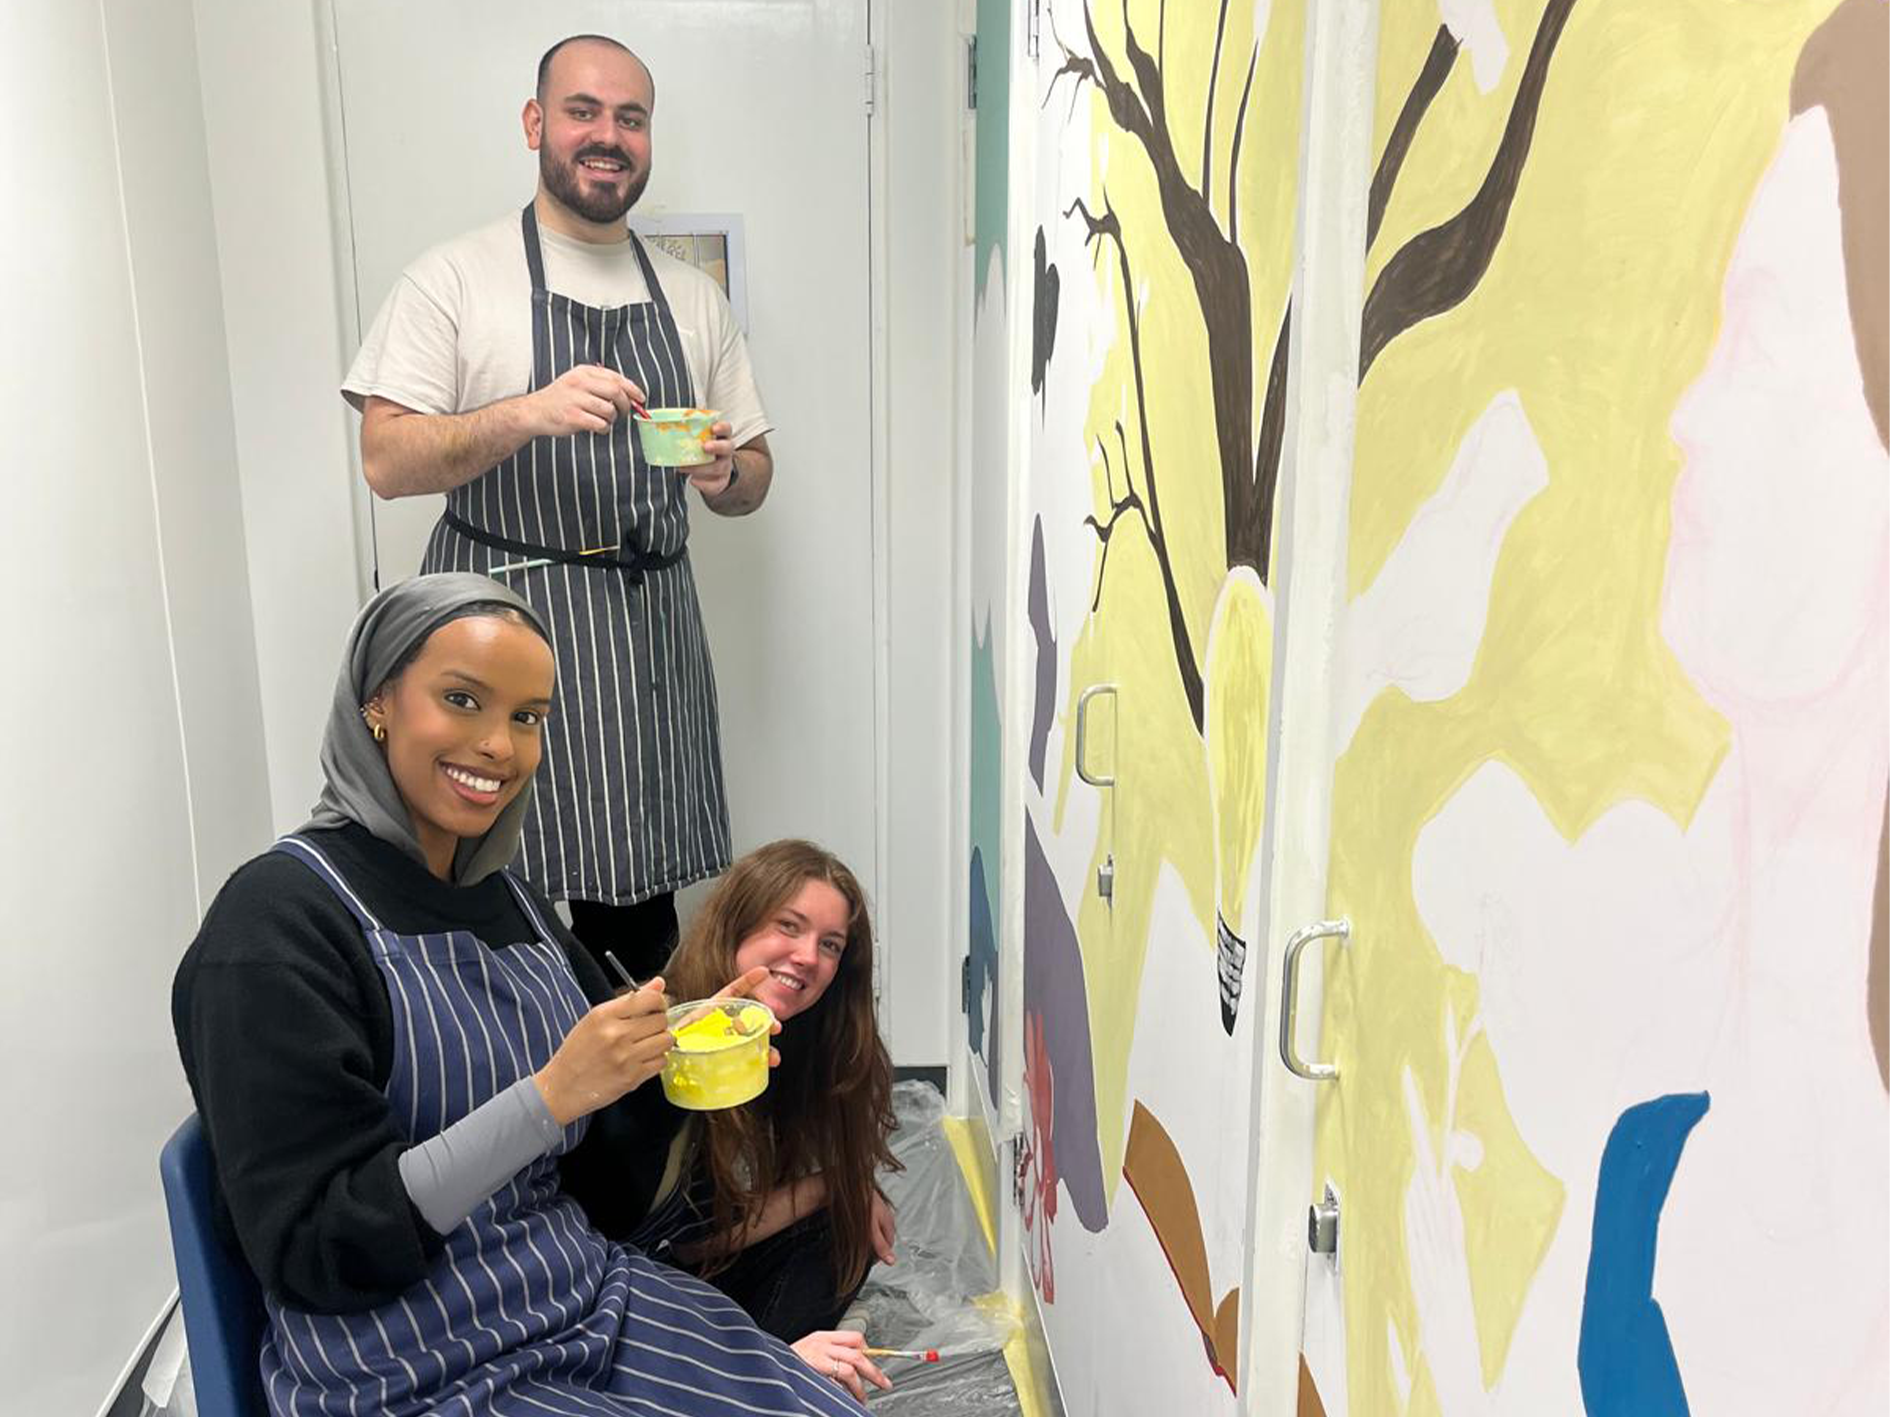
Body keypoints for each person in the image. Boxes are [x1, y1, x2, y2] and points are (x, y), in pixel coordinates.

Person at [172, 573, 868, 1415]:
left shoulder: (515, 902)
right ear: (377, 701)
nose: (498, 745)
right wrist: (549, 1098)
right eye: (461, 699)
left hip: (575, 1296)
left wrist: (675, 1062)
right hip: (409, 1368)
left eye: (527, 717)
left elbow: (604, 1186)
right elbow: (325, 1251)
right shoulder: (276, 929)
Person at [342, 32, 774, 981]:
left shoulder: (694, 299)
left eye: (630, 117)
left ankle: (638, 1115)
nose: (606, 135)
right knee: (486, 883)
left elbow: (755, 474)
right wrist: (523, 415)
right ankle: (504, 1100)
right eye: (583, 111)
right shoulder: (456, 279)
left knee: (637, 910)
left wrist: (723, 476)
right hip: (495, 634)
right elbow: (385, 459)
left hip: (645, 641)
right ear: (537, 124)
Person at [624, 842, 900, 1402]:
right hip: (635, 1288)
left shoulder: (806, 1035)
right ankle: (768, 1370)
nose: (807, 957)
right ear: (736, 924)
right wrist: (834, 1186)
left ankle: (781, 1362)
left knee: (847, 1226)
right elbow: (687, 1242)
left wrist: (846, 1190)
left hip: (703, 1261)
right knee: (842, 1205)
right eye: (788, 927)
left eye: (830, 945)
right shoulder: (665, 1038)